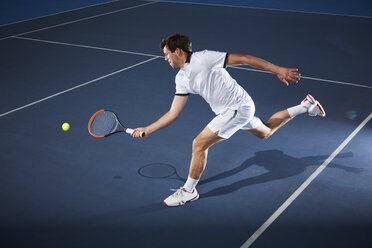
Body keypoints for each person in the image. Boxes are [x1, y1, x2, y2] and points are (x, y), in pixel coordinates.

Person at [132, 34, 325, 207]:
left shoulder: (204, 58)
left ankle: (189, 191)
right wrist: (148, 129)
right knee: (265, 132)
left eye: (167, 54)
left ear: (178, 51)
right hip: (231, 110)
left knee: (199, 144)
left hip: (237, 107)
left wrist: (276, 69)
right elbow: (173, 113)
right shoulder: (181, 78)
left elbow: (245, 59)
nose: (165, 58)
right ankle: (305, 106)